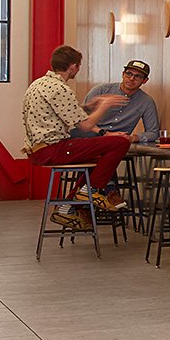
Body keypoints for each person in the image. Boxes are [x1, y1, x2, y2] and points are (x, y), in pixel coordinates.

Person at [22, 45, 130, 224]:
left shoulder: (38, 84)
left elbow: (58, 111)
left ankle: (68, 206)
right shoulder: (60, 88)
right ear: (73, 66)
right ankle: (92, 190)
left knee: (101, 159)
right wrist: (105, 105)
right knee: (120, 143)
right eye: (78, 66)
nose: (78, 70)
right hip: (53, 149)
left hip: (37, 150)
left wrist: (88, 107)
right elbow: (86, 126)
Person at [84, 60, 162, 142]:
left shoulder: (146, 101)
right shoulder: (101, 90)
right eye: (129, 74)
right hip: (90, 139)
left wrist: (133, 138)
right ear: (123, 74)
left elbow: (153, 132)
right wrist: (103, 133)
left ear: (145, 80)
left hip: (118, 143)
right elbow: (81, 119)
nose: (132, 78)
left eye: (138, 76)